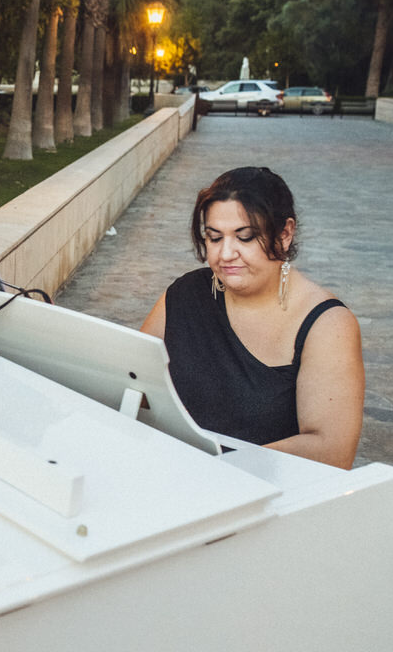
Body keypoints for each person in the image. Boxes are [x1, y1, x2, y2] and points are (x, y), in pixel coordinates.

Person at [140, 166, 364, 469]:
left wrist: (216, 467)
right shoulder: (184, 294)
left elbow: (332, 451)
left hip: (266, 495)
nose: (226, 253)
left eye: (244, 237)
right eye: (214, 237)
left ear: (284, 234)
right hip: (171, 475)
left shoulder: (327, 324)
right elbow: (131, 382)